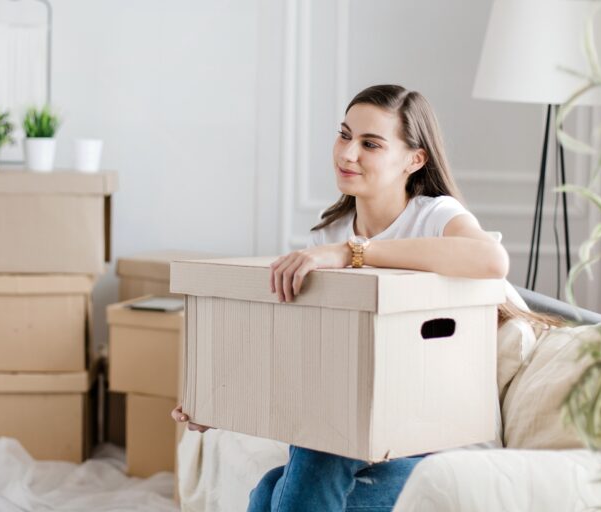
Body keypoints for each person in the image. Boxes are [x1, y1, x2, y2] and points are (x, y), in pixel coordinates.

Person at [172, 84, 524, 511]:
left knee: (289, 475)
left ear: (415, 159)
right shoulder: (329, 233)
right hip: (350, 427)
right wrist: (222, 401)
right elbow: (302, 346)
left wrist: (353, 253)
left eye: (370, 144)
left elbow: (491, 259)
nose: (347, 153)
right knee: (300, 462)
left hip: (431, 435)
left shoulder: (434, 216)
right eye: (344, 135)